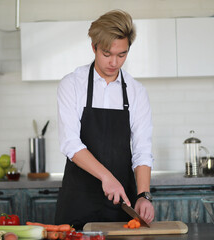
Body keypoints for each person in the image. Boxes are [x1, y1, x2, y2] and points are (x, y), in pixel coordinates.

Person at [55, 9, 154, 230]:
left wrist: (144, 195)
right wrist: (107, 177)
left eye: (122, 55)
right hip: (78, 200)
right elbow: (70, 142)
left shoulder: (137, 91)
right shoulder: (72, 84)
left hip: (121, 204)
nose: (114, 62)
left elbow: (142, 148)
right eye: (107, 54)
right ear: (94, 47)